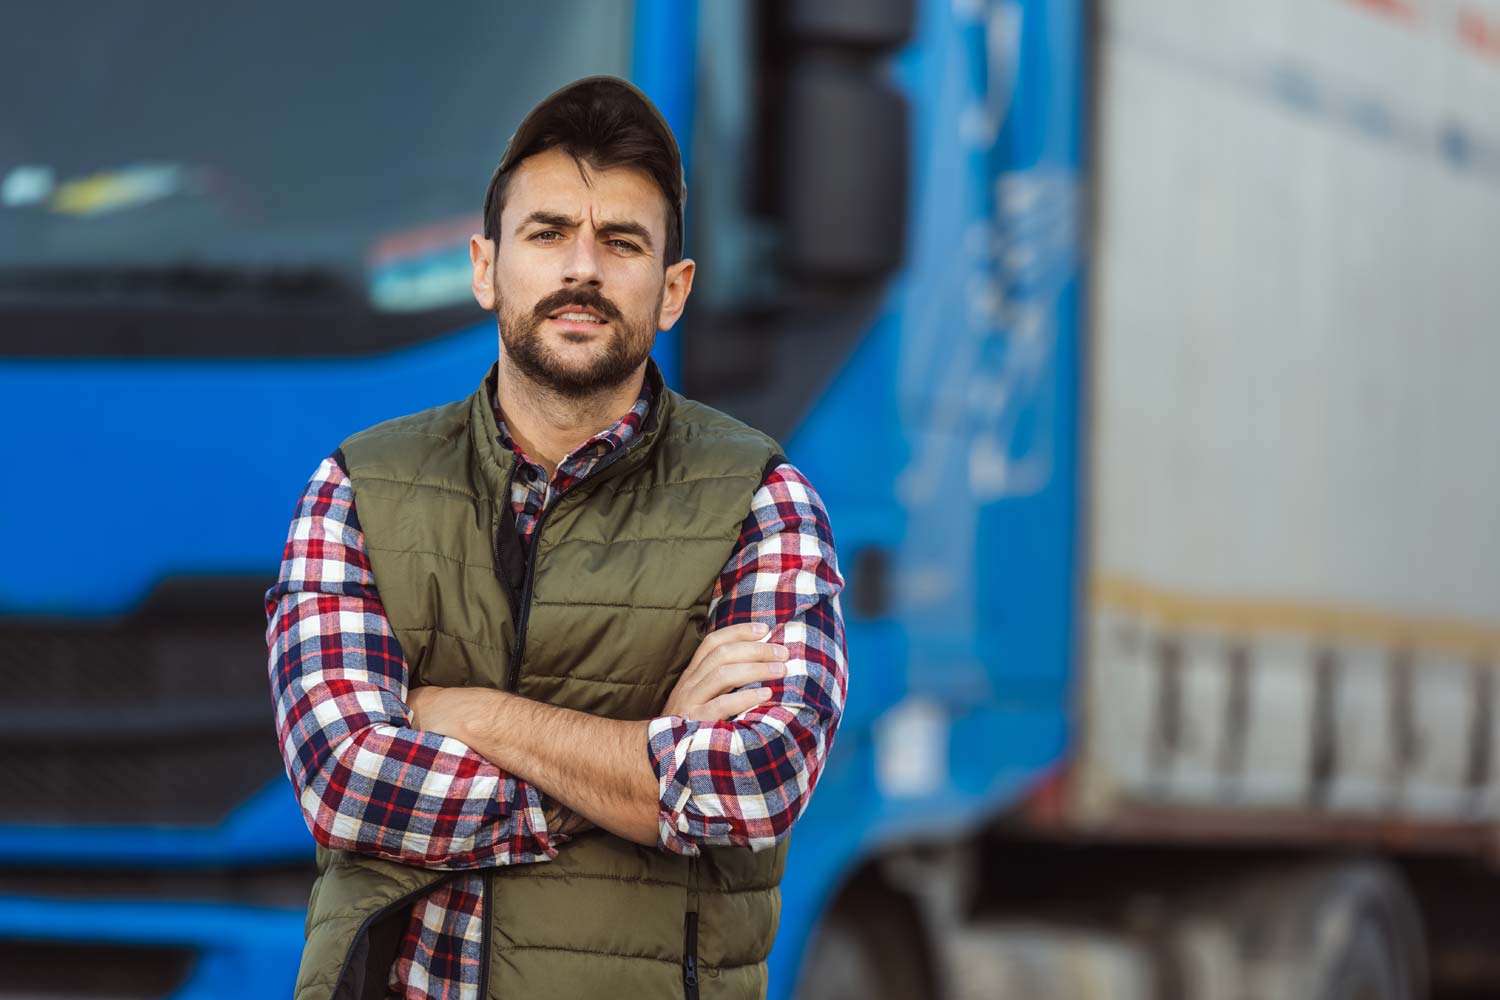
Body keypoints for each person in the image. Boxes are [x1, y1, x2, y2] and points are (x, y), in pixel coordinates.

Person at [264, 76, 848, 1000]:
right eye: (547, 234)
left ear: (673, 291)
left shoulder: (761, 500)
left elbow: (750, 783)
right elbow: (347, 783)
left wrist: (472, 715)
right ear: (486, 266)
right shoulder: (360, 488)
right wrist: (653, 764)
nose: (583, 268)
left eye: (623, 242)